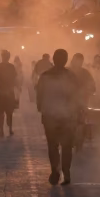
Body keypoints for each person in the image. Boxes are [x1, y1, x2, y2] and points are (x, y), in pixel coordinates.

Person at [37, 49, 83, 185]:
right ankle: (66, 172)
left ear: (54, 59)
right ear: (66, 60)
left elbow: (39, 96)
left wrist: (42, 109)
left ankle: (55, 170)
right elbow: (77, 96)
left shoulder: (45, 76)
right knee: (67, 146)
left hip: (50, 115)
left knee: (52, 145)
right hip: (67, 117)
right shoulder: (71, 76)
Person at [0, 50, 19, 137]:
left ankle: (1, 130)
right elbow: (15, 80)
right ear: (9, 57)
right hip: (9, 93)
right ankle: (10, 129)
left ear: (2, 56)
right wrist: (17, 89)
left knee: (0, 112)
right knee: (9, 112)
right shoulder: (12, 67)